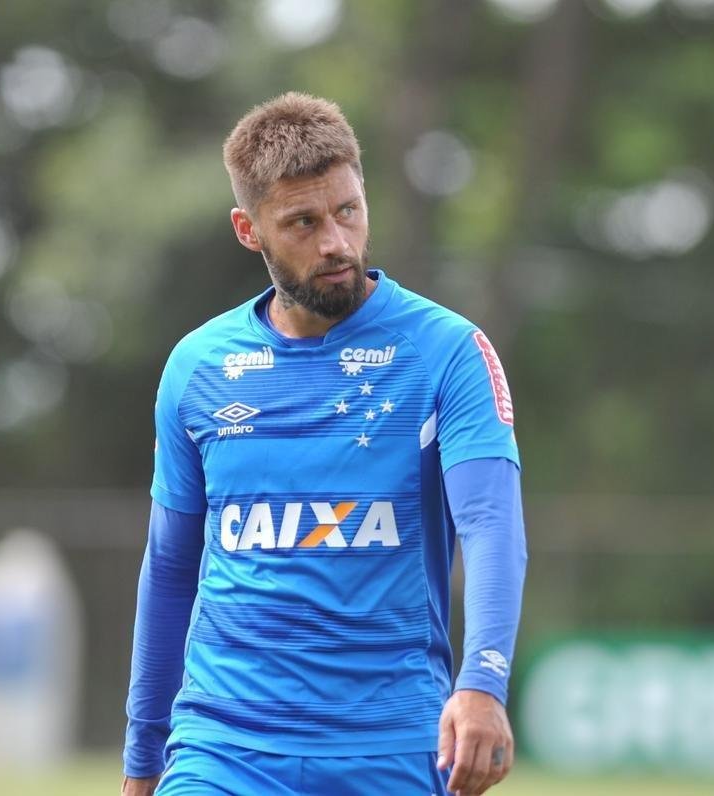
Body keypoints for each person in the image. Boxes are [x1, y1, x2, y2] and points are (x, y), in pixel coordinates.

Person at [123, 93, 527, 796]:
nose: (336, 242)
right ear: (249, 230)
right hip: (224, 749)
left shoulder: (448, 352)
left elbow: (491, 523)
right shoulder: (197, 367)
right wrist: (142, 759)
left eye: (347, 211)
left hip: (392, 748)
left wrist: (483, 682)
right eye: (303, 223)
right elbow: (169, 565)